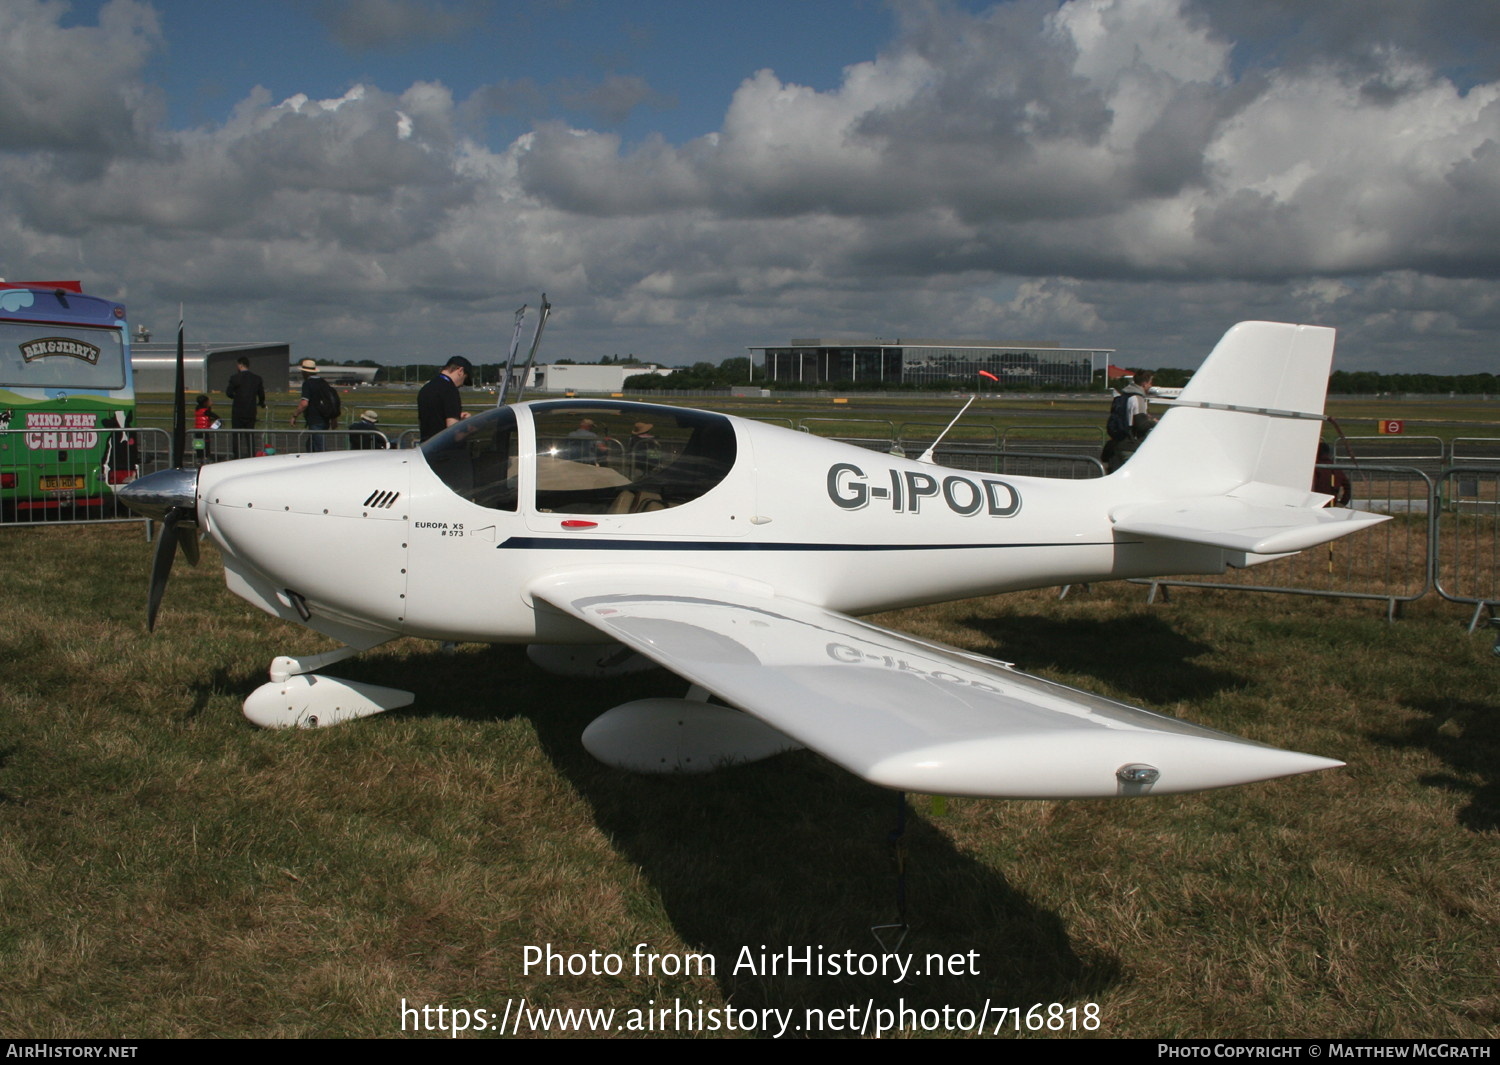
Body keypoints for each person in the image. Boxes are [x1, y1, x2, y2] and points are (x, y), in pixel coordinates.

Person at [1101, 369, 1157, 473]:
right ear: (1144, 384)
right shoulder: (1138, 398)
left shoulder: (1124, 396)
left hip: (1117, 444)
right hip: (1130, 446)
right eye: (1150, 383)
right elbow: (1141, 425)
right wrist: (1154, 422)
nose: (1150, 386)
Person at [417, 356, 473, 441]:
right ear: (460, 371)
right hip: (443, 448)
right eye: (464, 379)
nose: (462, 384)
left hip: (426, 446)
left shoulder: (426, 388)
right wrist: (468, 427)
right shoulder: (450, 390)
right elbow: (453, 431)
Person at [290, 358, 340, 452]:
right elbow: (330, 401)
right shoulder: (323, 383)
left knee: (319, 447)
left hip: (315, 419)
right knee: (311, 445)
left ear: (305, 372)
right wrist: (333, 418)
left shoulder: (308, 384)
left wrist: (294, 415)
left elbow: (304, 403)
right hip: (325, 418)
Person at [224, 356, 265, 459]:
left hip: (238, 409)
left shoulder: (235, 378)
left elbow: (228, 393)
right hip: (251, 409)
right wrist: (261, 402)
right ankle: (251, 454)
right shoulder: (257, 378)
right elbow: (261, 394)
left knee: (236, 435)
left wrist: (236, 397)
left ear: (240, 365)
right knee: (250, 434)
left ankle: (236, 455)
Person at [1312, 441, 1352, 506]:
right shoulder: (1335, 469)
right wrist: (1342, 503)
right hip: (1331, 505)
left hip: (1315, 505)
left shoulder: (1315, 468)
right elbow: (1348, 486)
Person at [193, 394, 221, 464]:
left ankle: (199, 457)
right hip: (204, 430)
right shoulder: (205, 411)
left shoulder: (198, 409)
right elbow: (215, 416)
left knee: (199, 444)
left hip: (197, 430)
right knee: (206, 444)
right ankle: (206, 457)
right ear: (205, 403)